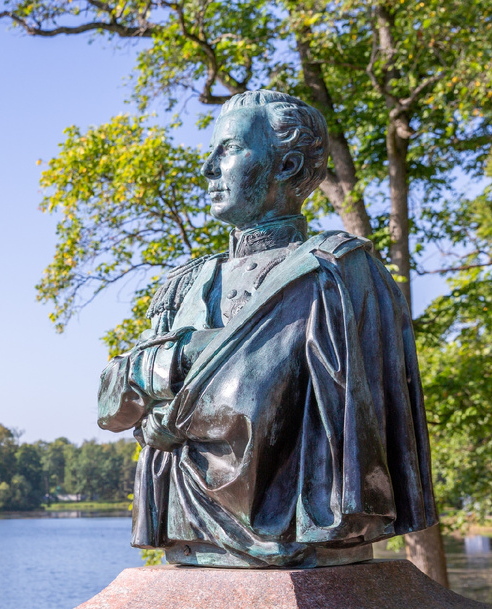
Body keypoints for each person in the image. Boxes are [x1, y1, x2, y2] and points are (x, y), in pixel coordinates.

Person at [97, 90, 437, 568]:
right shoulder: (184, 284)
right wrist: (183, 358)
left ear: (288, 165)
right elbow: (113, 405)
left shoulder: (337, 273)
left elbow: (269, 396)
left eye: (230, 149)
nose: (209, 168)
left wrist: (176, 365)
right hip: (188, 525)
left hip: (301, 529)